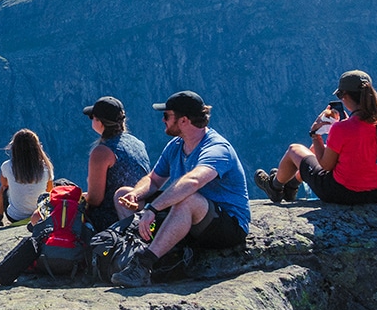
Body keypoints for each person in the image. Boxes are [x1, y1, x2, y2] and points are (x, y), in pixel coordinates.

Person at [111, 91, 251, 288]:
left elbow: (193, 182)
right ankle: (144, 252)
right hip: (193, 217)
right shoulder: (176, 146)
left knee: (187, 199)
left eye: (167, 116)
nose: (163, 120)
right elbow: (153, 179)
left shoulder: (217, 149)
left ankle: (143, 265)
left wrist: (153, 209)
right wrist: (136, 194)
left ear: (184, 120)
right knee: (122, 194)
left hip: (227, 225)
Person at [254, 70, 377, 205]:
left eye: (340, 95)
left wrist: (315, 135)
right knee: (315, 151)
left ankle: (274, 187)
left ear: (344, 96)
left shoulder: (342, 129)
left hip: (342, 193)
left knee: (295, 149)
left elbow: (326, 166)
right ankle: (292, 185)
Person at [83, 97, 151, 233]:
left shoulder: (102, 152)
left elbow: (95, 200)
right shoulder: (137, 143)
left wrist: (81, 197)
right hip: (139, 213)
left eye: (93, 117)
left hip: (111, 221)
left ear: (99, 122)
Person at [0, 129, 54, 226]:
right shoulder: (46, 167)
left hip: (15, 217)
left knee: (4, 189)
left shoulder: (7, 166)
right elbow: (49, 191)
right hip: (40, 215)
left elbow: (4, 184)